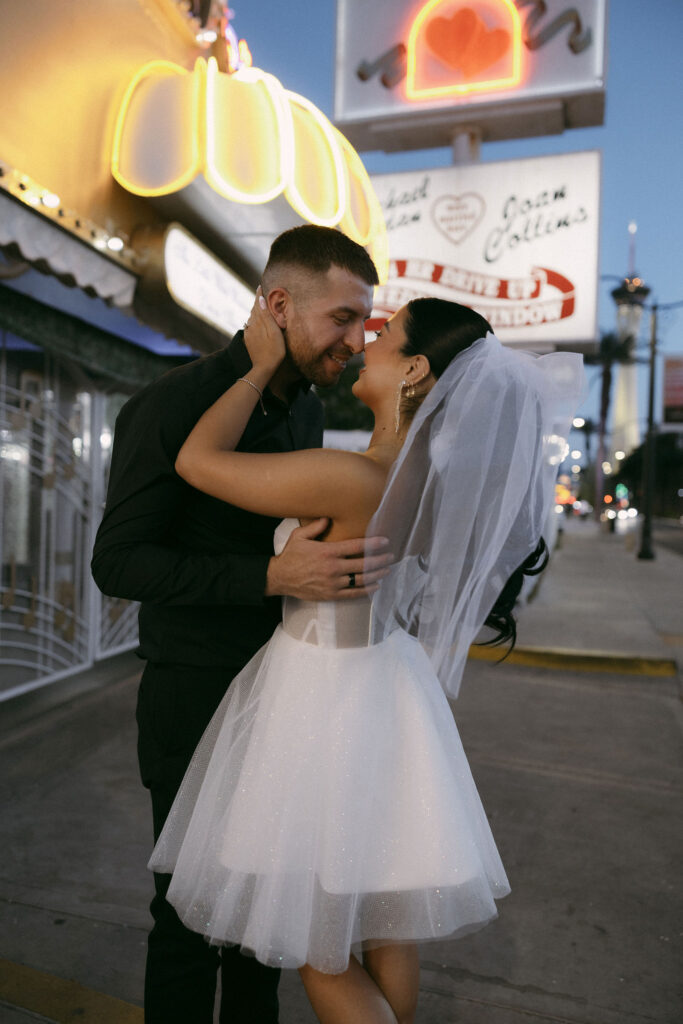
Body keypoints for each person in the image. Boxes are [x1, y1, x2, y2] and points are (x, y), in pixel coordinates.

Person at [149, 295, 584, 1023]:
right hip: (387, 688)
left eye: (382, 335)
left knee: (322, 952)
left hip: (321, 698)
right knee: (386, 923)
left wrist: (258, 368)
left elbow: (194, 461)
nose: (364, 344)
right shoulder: (431, 482)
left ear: (413, 367)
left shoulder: (349, 478)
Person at [90, 225, 388, 1024]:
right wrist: (268, 575)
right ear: (279, 304)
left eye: (365, 323)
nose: (355, 342)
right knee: (189, 918)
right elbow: (117, 563)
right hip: (195, 697)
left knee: (268, 925)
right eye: (342, 319)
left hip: (286, 702)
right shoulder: (170, 404)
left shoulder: (305, 411)